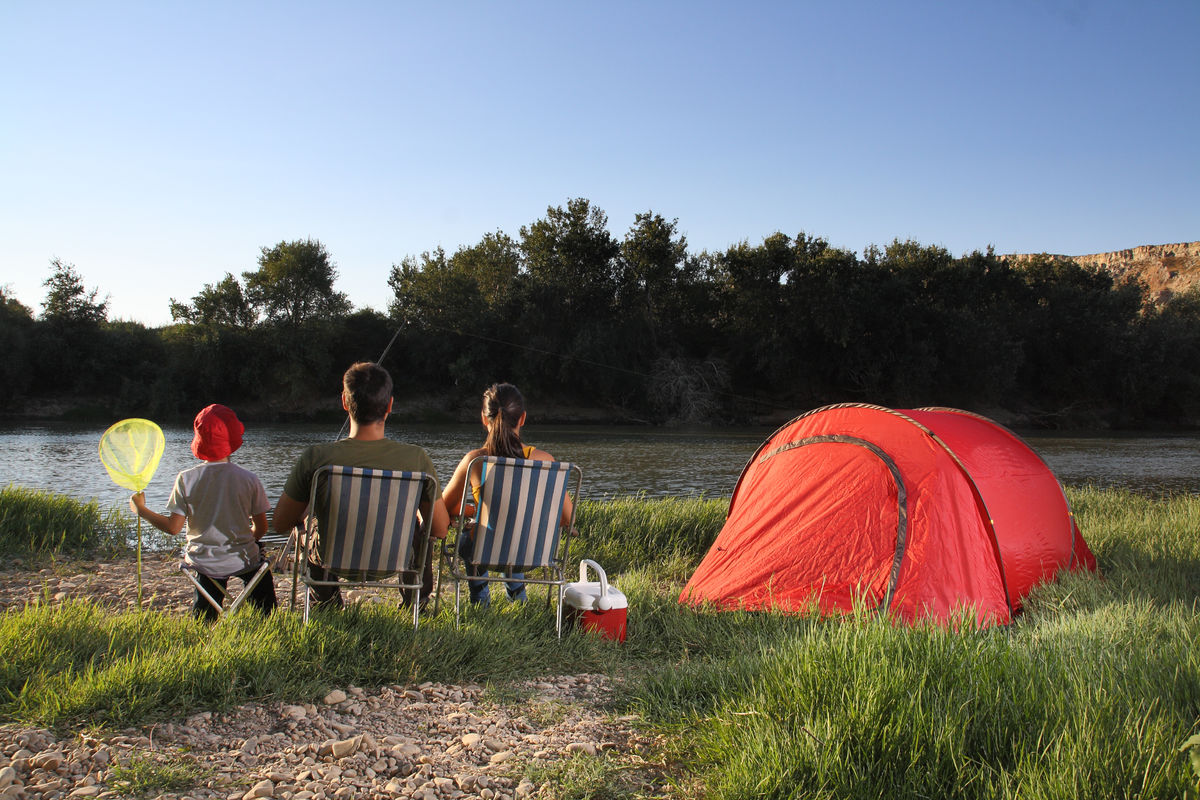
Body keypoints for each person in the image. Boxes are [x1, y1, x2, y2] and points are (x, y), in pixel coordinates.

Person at [273, 361, 449, 609]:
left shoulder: (316, 458)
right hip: (396, 558)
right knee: (420, 526)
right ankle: (415, 603)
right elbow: (440, 529)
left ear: (344, 402)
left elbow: (280, 523)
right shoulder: (416, 459)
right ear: (389, 405)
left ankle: (327, 603)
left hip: (331, 559)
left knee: (309, 523)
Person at [130, 404, 276, 621]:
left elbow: (173, 528)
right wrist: (247, 539)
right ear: (233, 439)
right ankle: (265, 617)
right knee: (257, 566)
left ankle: (205, 616)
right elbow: (261, 527)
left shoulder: (186, 479)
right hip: (241, 558)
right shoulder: (248, 479)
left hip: (202, 561)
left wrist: (142, 510)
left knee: (208, 570)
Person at [441, 382, 574, 607]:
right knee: (515, 532)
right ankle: (518, 600)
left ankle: (480, 600)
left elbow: (445, 507)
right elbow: (567, 518)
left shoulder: (475, 461)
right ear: (522, 418)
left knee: (470, 536)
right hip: (533, 553)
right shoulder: (545, 462)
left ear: (485, 419)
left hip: (484, 552)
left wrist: (478, 513)